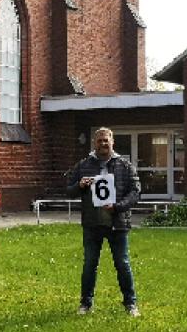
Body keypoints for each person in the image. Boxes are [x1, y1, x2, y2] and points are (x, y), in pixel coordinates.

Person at [65, 127, 141, 317]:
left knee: (122, 263)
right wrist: (79, 186)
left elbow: (135, 191)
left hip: (118, 223)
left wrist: (118, 206)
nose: (103, 144)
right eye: (99, 141)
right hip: (92, 223)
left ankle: (130, 304)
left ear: (112, 142)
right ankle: (85, 303)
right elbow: (69, 189)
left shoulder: (124, 165)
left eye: (106, 140)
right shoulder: (83, 165)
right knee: (90, 263)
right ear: (94, 143)